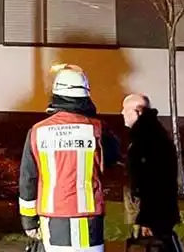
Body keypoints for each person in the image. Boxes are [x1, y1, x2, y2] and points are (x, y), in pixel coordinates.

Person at [18, 65, 120, 252]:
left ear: (56, 93)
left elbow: (28, 179)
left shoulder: (37, 132)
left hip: (53, 218)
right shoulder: (98, 129)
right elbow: (113, 159)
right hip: (90, 218)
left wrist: (29, 221)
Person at [122, 94, 183, 252]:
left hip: (154, 209)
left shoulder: (145, 136)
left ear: (138, 112)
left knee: (158, 242)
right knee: (165, 240)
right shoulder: (151, 132)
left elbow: (149, 176)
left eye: (125, 109)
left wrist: (145, 215)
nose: (122, 113)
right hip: (159, 208)